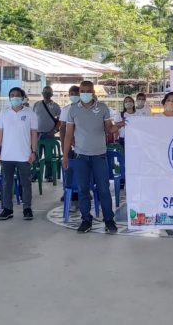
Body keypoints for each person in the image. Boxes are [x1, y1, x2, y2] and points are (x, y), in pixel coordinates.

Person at [62, 81, 118, 233]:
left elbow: (109, 129)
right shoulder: (73, 110)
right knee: (83, 190)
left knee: (104, 189)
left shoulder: (103, 108)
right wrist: (65, 155)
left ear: (93, 92)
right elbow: (68, 135)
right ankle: (86, 220)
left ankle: (109, 220)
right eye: (82, 91)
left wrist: (119, 126)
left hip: (99, 156)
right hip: (81, 156)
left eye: (88, 91)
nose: (85, 93)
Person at [0, 87, 38, 221]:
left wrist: (33, 151)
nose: (15, 98)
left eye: (17, 95)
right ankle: (7, 209)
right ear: (9, 98)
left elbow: (34, 134)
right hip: (6, 156)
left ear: (23, 98)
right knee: (6, 183)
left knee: (26, 183)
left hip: (24, 155)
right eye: (12, 95)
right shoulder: (3, 113)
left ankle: (27, 208)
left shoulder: (30, 113)